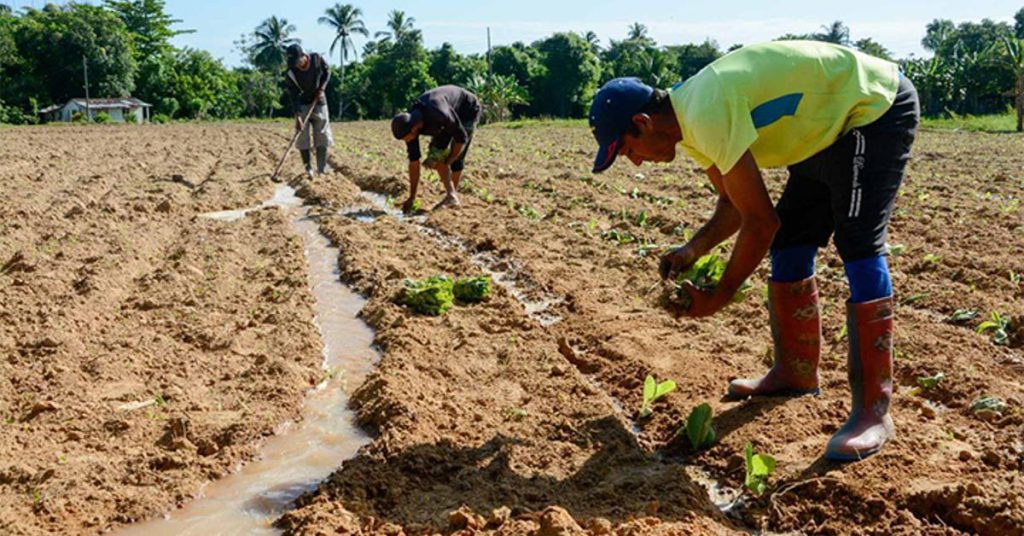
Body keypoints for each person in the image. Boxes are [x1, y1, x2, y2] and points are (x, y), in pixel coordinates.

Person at [586, 41, 920, 462]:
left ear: (642, 122)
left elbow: (760, 222)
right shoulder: (686, 128)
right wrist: (693, 249)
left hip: (873, 109)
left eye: (627, 150)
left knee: (857, 239)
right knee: (792, 241)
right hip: (825, 129)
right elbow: (734, 206)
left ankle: (874, 411)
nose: (634, 163)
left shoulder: (704, 111)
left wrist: (721, 295)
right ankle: (795, 373)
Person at [390, 86, 482, 212]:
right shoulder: (410, 125)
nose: (407, 141)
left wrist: (450, 159)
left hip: (467, 109)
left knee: (456, 160)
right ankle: (451, 196)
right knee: (435, 157)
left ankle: (451, 198)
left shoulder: (438, 112)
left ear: (415, 128)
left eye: (406, 138)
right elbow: (414, 162)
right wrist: (412, 197)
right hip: (443, 121)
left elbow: (461, 138)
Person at [285, 44, 332, 179]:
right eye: (293, 63)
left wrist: (322, 89)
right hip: (303, 103)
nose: (296, 65)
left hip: (319, 100)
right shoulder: (290, 73)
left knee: (322, 133)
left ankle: (321, 169)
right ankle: (308, 168)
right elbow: (293, 96)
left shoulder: (317, 59)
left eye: (297, 61)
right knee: (302, 136)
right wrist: (298, 116)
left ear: (303, 56)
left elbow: (327, 72)